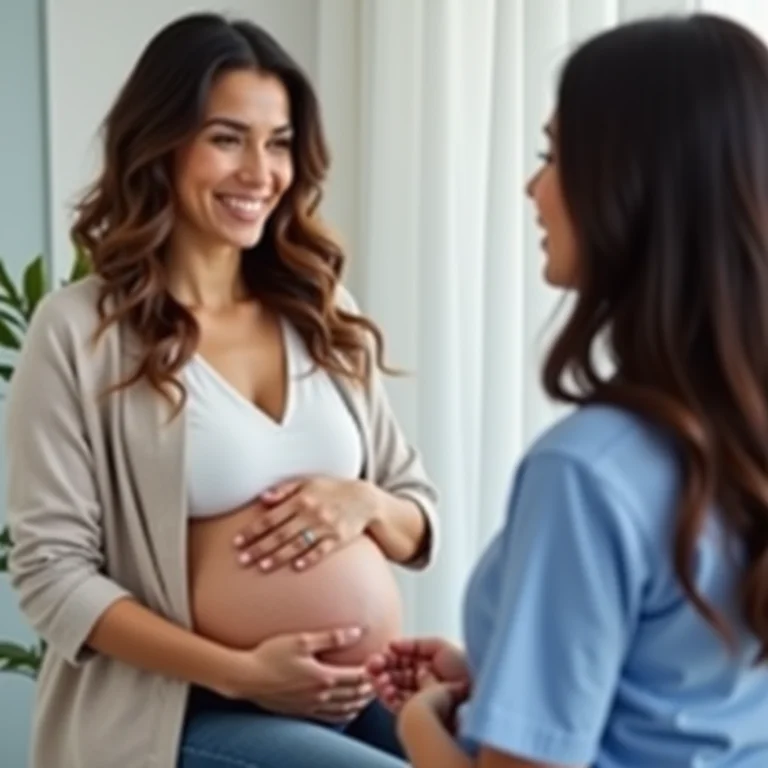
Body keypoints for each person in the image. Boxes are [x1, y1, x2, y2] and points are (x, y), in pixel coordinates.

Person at [5, 13, 438, 768]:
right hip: (175, 713)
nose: (260, 172)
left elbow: (415, 509)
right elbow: (50, 574)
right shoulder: (79, 332)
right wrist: (243, 672)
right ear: (162, 145)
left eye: (278, 144)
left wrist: (367, 502)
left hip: (356, 691)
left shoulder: (322, 310)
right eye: (227, 138)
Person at [367, 13, 768, 768]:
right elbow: (683, 703)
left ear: (632, 185)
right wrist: (501, 681)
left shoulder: (588, 472)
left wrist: (422, 724)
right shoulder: (741, 436)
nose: (532, 187)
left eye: (553, 156)